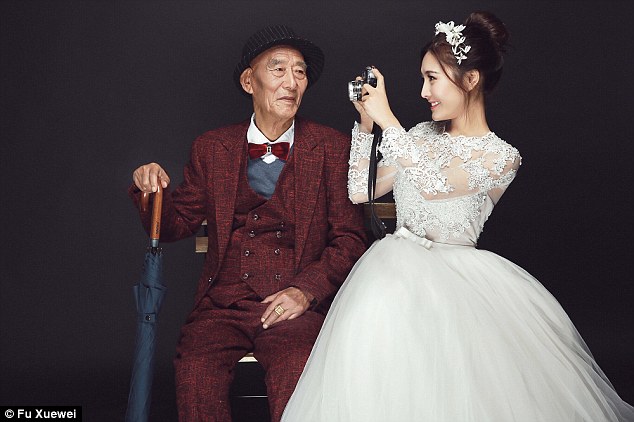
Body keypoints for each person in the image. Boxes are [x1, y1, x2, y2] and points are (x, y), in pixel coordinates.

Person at [282, 11, 634, 422]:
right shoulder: (420, 136)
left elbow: (436, 185)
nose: (424, 91)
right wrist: (365, 123)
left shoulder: (501, 157)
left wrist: (389, 119)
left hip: (457, 286)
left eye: (433, 78)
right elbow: (361, 189)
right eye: (423, 79)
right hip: (391, 271)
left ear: (470, 79)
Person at [129, 24, 367, 421]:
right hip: (221, 306)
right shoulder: (211, 148)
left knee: (298, 374)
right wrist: (150, 190)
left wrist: (304, 293)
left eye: (301, 71)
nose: (292, 82)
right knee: (195, 374)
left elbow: (349, 239)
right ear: (248, 81)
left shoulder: (332, 148)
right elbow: (174, 225)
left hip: (294, 308)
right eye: (278, 69)